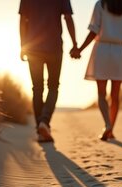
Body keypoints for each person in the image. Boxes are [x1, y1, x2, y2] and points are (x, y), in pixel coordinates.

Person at [72, 0, 122, 141]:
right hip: (120, 52)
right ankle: (111, 130)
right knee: (115, 95)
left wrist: (80, 49)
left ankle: (107, 124)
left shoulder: (101, 4)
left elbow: (93, 31)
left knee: (101, 94)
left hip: (101, 50)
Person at [19, 0, 79, 142]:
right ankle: (44, 123)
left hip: (33, 48)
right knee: (53, 87)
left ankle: (40, 129)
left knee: (37, 88)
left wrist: (22, 45)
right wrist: (75, 44)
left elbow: (22, 20)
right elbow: (68, 18)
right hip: (54, 48)